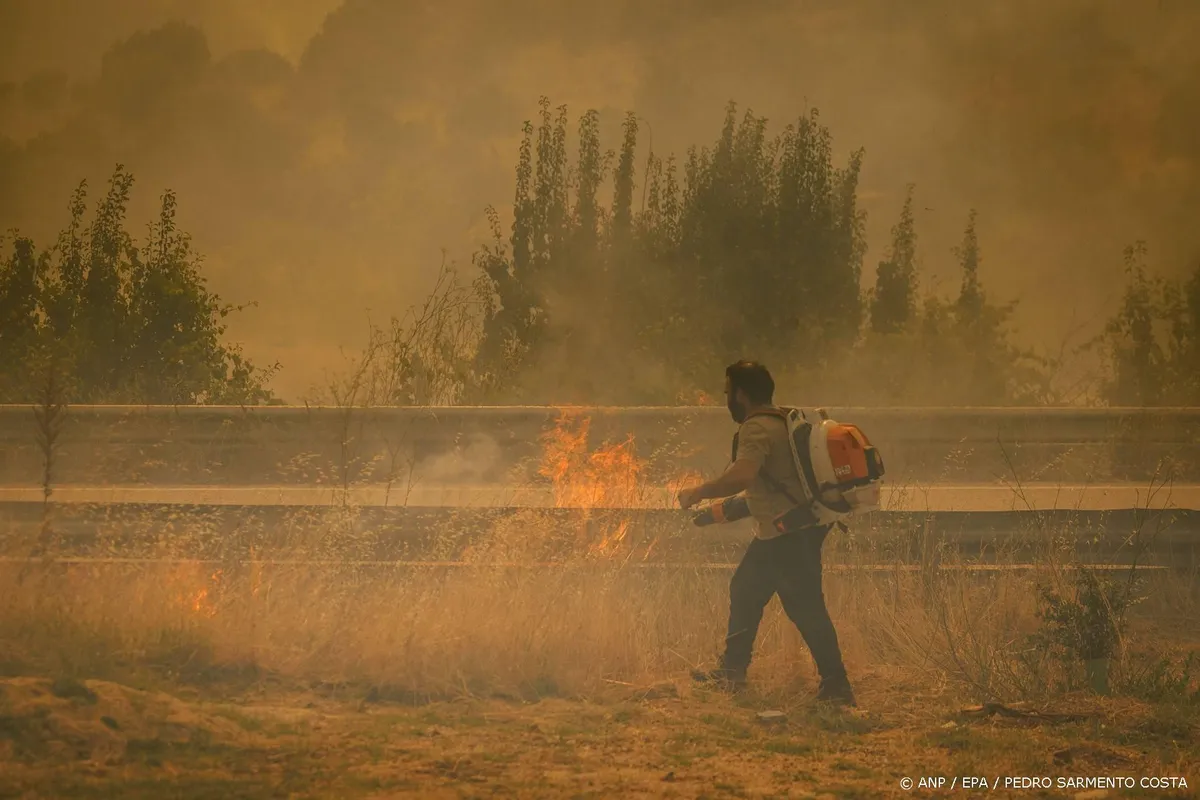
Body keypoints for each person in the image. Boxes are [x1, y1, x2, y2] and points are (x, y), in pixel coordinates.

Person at [676, 360, 856, 706]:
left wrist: (700, 491)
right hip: (793, 528)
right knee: (746, 590)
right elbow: (768, 490)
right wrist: (717, 514)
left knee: (804, 608)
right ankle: (733, 673)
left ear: (742, 394)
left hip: (786, 535)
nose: (727, 398)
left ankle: (838, 686)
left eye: (728, 392)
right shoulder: (782, 421)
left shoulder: (755, 428)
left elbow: (743, 476)